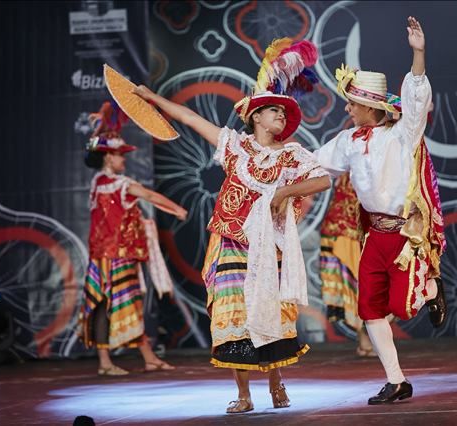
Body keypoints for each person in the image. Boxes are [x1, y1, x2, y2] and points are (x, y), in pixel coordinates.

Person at [132, 38, 331, 413]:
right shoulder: (234, 146)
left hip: (267, 245)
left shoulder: (292, 154)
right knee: (231, 315)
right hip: (230, 241)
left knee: (268, 314)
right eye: (275, 112)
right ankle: (243, 394)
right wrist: (152, 97)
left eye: (285, 115)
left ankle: (276, 382)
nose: (282, 118)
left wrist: (286, 190)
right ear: (255, 116)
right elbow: (190, 118)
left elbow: (321, 180)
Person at [315, 16, 447, 404]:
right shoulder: (347, 141)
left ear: (369, 106)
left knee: (400, 308)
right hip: (374, 235)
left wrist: (418, 52)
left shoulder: (402, 135)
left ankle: (433, 287)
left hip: (404, 235)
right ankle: (397, 380)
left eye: (352, 103)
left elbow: (417, 96)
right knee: (369, 309)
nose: (347, 108)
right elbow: (313, 164)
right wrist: (271, 166)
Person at [79, 101, 188, 376]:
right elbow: (149, 195)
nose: (123, 160)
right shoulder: (120, 184)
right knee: (117, 305)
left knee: (107, 304)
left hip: (104, 254)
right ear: (108, 158)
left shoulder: (98, 184)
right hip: (116, 255)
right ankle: (114, 361)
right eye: (119, 156)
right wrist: (176, 209)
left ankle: (138, 358)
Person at [319, 173, 375, 357]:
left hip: (363, 228)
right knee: (355, 286)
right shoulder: (349, 156)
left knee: (370, 286)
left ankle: (370, 339)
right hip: (346, 231)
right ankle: (365, 339)